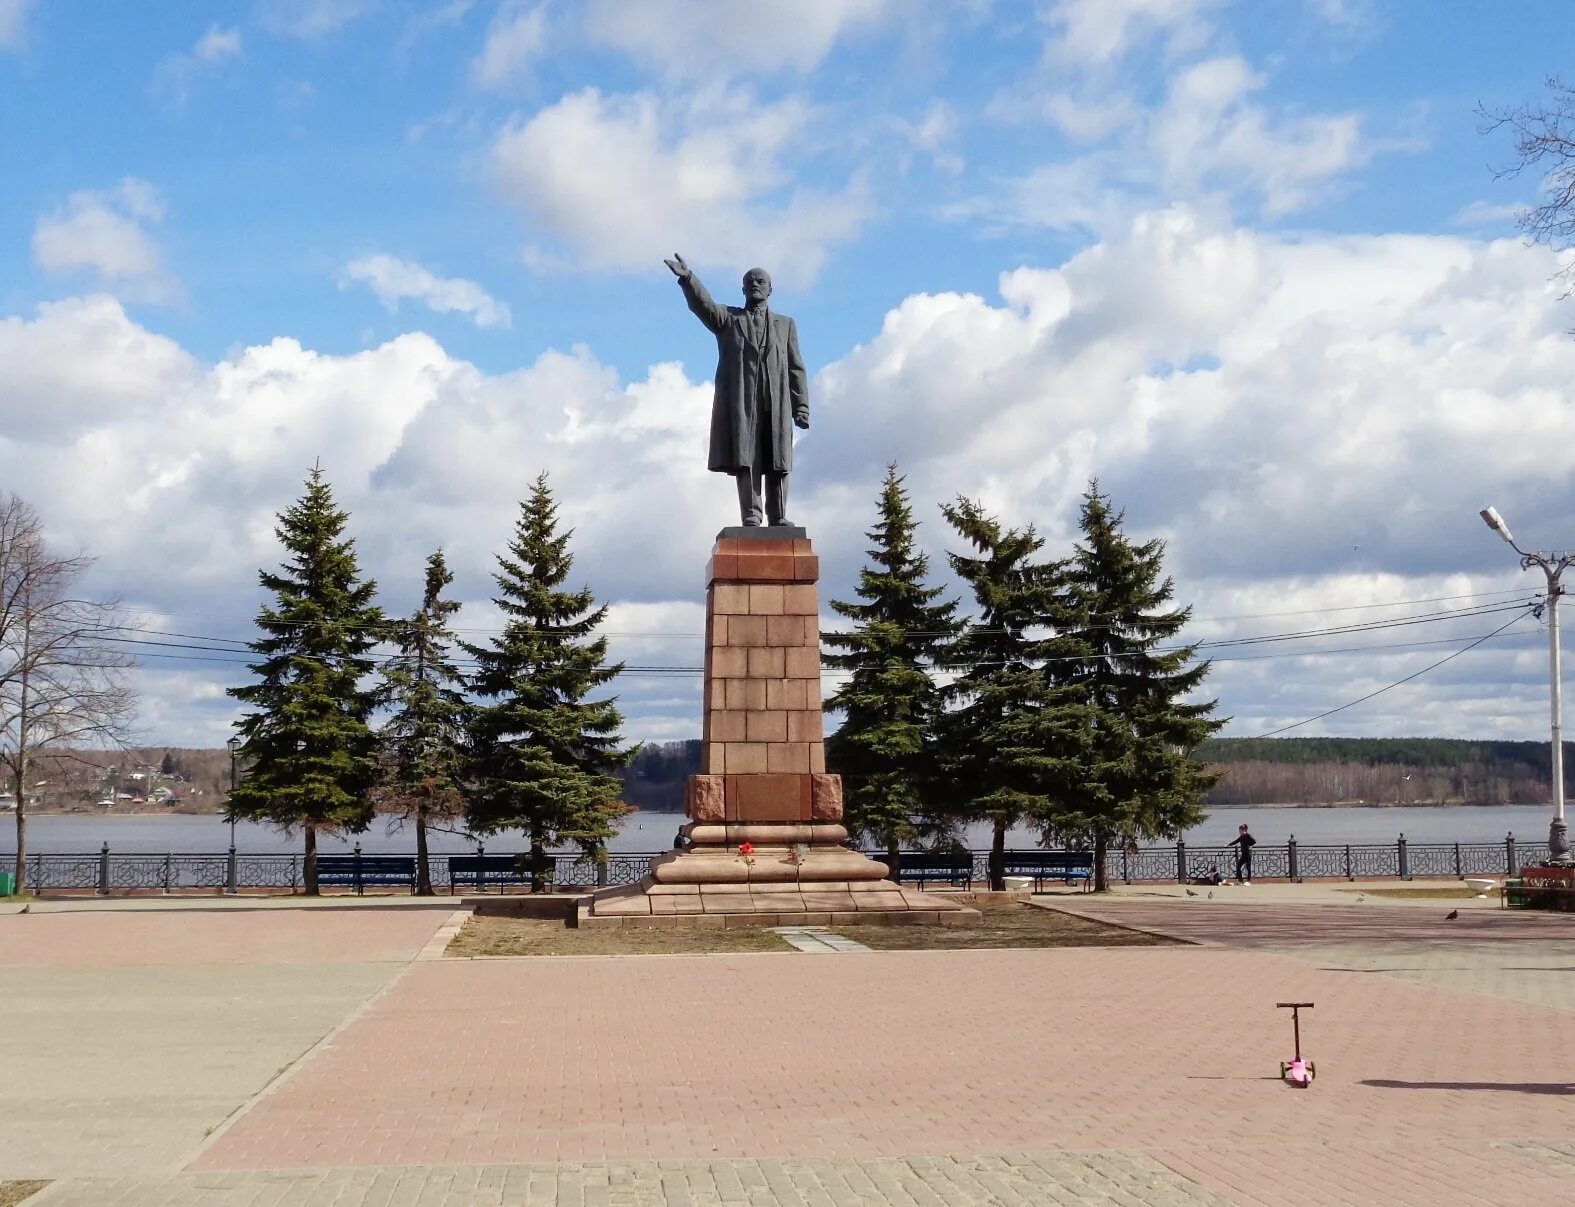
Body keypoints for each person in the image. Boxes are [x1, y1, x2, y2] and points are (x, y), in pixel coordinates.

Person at [664, 253, 809, 527]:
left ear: (770, 288)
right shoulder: (729, 320)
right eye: (750, 281)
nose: (755, 284)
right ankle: (751, 514)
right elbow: (704, 306)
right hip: (744, 405)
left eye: (761, 281)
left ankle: (778, 516)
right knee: (748, 460)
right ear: (743, 289)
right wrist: (688, 279)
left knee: (778, 461)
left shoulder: (785, 325)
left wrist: (801, 405)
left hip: (776, 404)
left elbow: (795, 366)